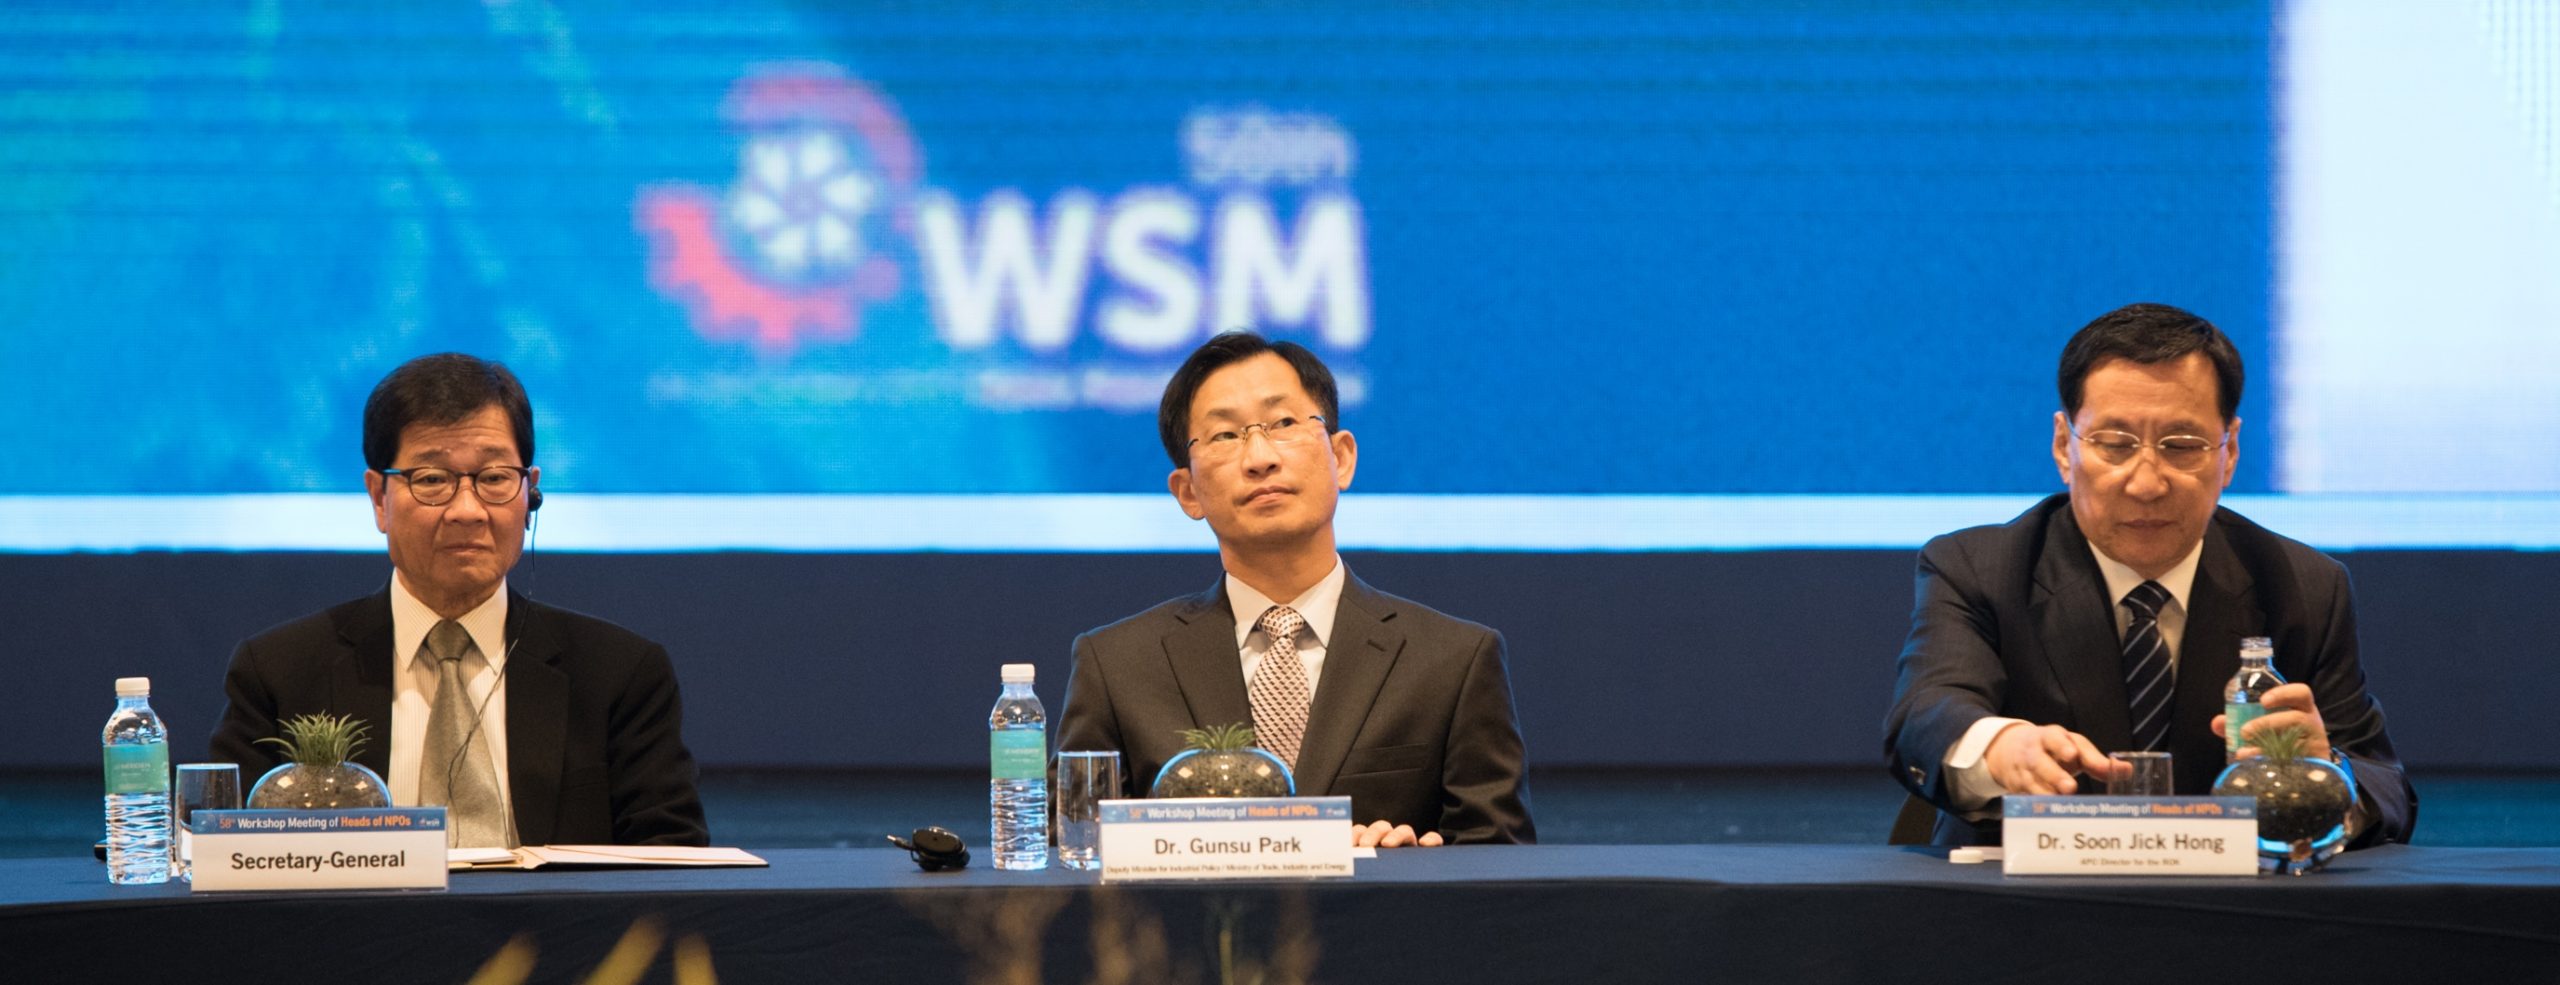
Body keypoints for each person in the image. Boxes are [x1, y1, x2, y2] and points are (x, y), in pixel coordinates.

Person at [1884, 303, 2416, 847]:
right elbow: (1926, 715)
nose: (2146, 483)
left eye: (2181, 447)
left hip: (2232, 914)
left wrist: (2324, 776)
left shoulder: (2302, 585)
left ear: (2228, 452)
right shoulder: (1979, 569)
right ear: (2064, 446)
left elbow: (2386, 788)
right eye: (2114, 445)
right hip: (2026, 905)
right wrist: (1997, 747)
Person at [1055, 331, 1534, 848]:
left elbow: (1502, 878)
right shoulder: (1117, 667)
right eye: (1224, 436)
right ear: (1188, 492)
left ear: (1342, 458)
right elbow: (1068, 858)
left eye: (1283, 423)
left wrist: (1416, 865)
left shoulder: (1454, 662)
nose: (1260, 457)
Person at [211, 354, 708, 847]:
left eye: (493, 479)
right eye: (432, 480)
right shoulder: (281, 673)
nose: (467, 511)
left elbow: (672, 865)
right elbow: (217, 856)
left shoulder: (619, 675)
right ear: (379, 499)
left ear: (529, 494)